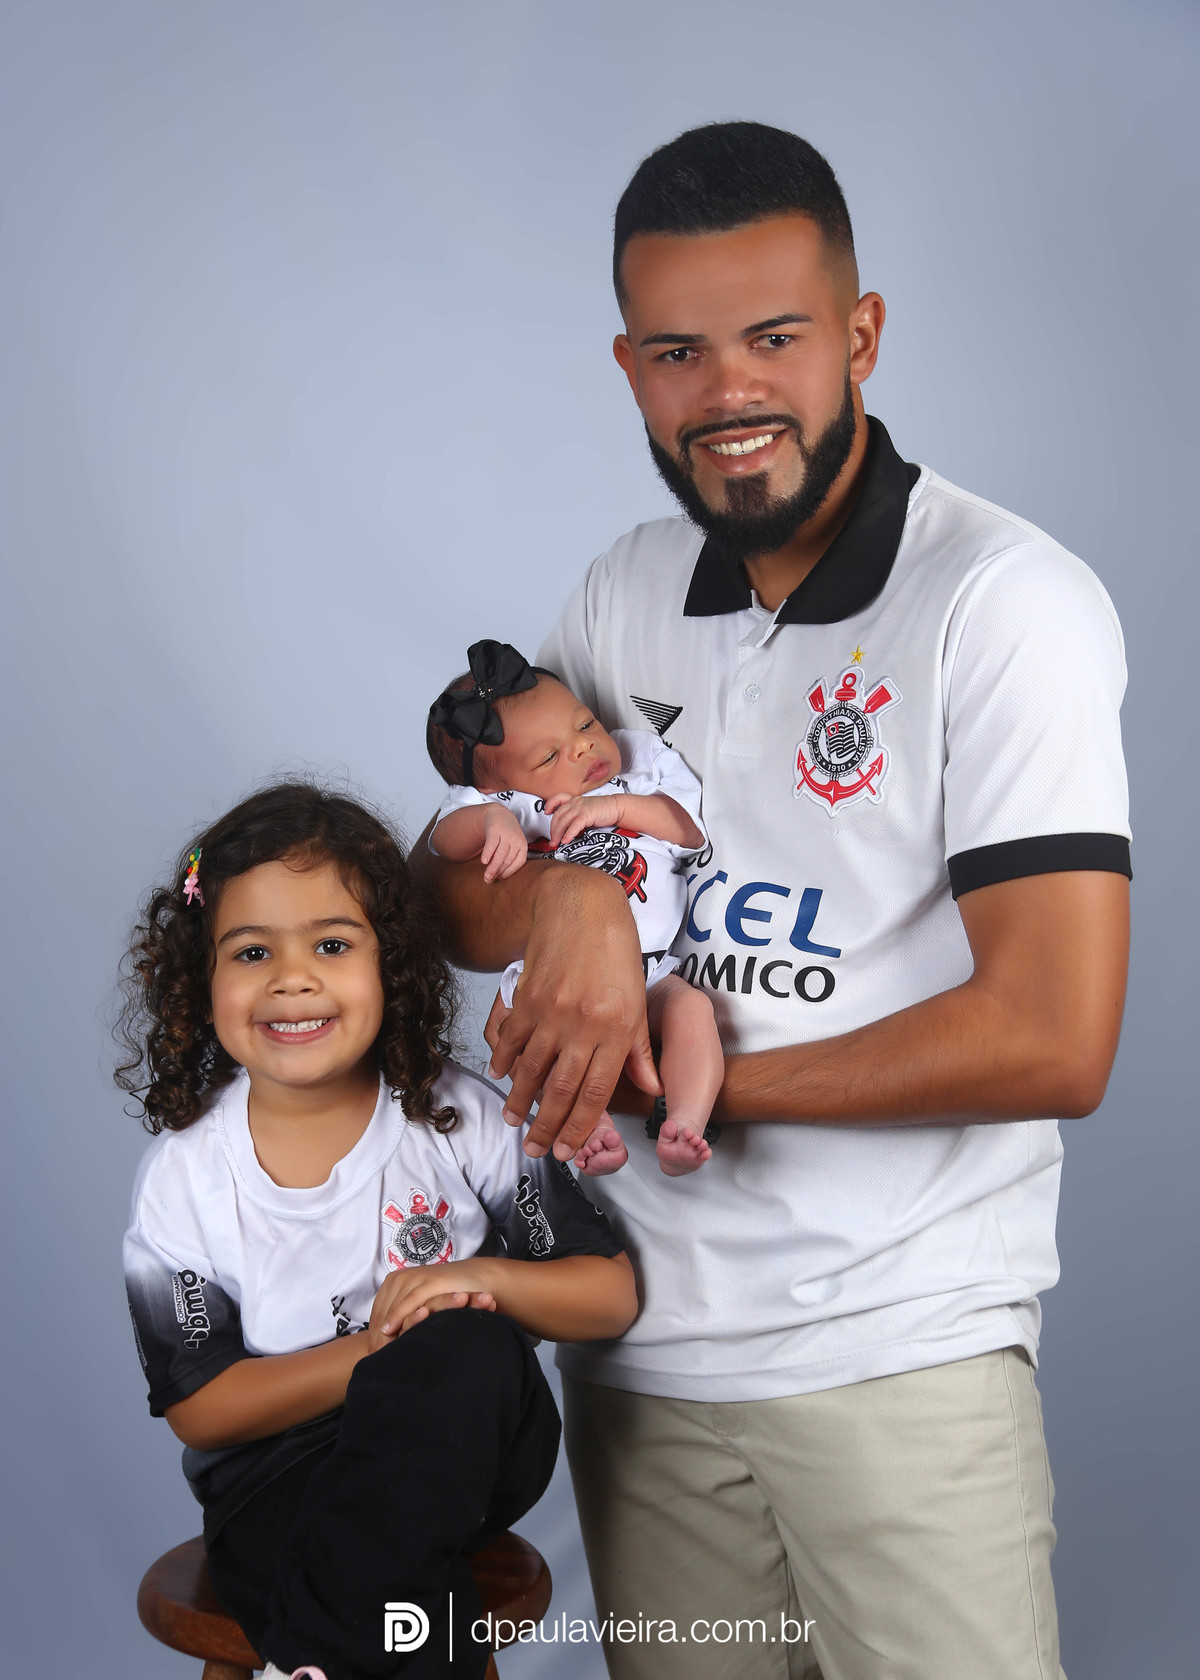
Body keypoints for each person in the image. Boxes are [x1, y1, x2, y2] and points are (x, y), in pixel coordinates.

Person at [418, 122, 1132, 1680]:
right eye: (679, 352)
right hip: (643, 1363)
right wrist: (570, 909)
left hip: (900, 1355)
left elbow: (1054, 1035)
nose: (728, 392)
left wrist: (699, 1089)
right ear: (629, 368)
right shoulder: (621, 589)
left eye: (776, 337)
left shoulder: (1005, 602)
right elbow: (455, 901)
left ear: (861, 335)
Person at [117, 782, 637, 1680]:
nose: (293, 979)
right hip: (276, 1477)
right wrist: (371, 1351)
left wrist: (478, 1283)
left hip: (465, 1455)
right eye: (252, 952)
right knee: (398, 1599)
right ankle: (330, 1657)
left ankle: (320, 1650)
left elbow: (610, 1294)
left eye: (331, 944)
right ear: (202, 980)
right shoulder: (186, 1177)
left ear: (389, 962)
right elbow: (201, 1407)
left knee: (466, 1340)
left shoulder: (457, 1119)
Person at [426, 637, 724, 1176]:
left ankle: (685, 1122)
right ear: (497, 787)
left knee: (693, 1013)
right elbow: (443, 841)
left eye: (585, 724)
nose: (583, 747)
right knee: (535, 1045)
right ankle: (590, 1132)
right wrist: (492, 822)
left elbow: (687, 829)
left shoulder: (640, 766)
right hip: (556, 973)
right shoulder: (509, 804)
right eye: (548, 756)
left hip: (652, 970)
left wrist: (616, 808)